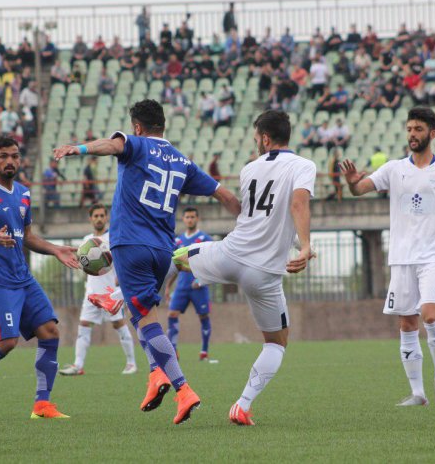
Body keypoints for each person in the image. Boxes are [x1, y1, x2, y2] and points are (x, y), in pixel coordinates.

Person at [54, 99, 241, 425]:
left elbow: (110, 145)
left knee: (144, 319)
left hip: (131, 246)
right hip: (164, 251)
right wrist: (251, 223)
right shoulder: (183, 162)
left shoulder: (135, 145)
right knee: (140, 314)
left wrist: (79, 149)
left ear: (137, 127)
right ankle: (156, 374)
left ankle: (183, 390)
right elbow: (225, 195)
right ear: (163, 126)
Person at [172, 110, 315, 426]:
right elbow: (296, 205)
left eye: (256, 139)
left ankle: (121, 296)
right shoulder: (305, 166)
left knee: (177, 256)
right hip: (262, 273)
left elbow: (256, 218)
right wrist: (304, 246)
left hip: (230, 254)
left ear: (265, 138)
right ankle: (242, 405)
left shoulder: (249, 168)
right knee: (276, 343)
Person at [341, 107, 435, 407]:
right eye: (410, 128)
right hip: (401, 258)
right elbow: (360, 189)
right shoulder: (394, 169)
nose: (412, 134)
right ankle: (418, 393)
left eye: (419, 129)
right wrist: (350, 181)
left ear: (432, 134)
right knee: (407, 324)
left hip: (433, 256)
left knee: (430, 314)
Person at [0, 135, 79, 420]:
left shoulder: (23, 193)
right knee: (7, 342)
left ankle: (42, 405)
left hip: (23, 278)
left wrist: (56, 249)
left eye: (14, 156)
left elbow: (28, 237)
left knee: (50, 332)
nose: (10, 161)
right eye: (3, 156)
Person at [59, 204, 137, 377]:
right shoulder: (87, 240)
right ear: (91, 218)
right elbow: (84, 264)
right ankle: (78, 365)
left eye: (102, 215)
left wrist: (121, 278)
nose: (99, 218)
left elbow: (123, 259)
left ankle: (131, 363)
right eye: (96, 216)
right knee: (84, 325)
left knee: (119, 324)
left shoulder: (114, 237)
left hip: (111, 290)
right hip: (92, 291)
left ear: (106, 217)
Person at [163, 208, 213, 360]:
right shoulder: (178, 241)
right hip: (182, 287)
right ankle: (173, 349)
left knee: (203, 316)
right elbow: (175, 265)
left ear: (197, 218)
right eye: (187, 217)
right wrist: (168, 286)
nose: (190, 219)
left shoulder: (205, 238)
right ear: (183, 219)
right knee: (171, 314)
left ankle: (204, 352)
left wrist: (201, 280)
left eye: (192, 217)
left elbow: (212, 263)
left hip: (199, 287)